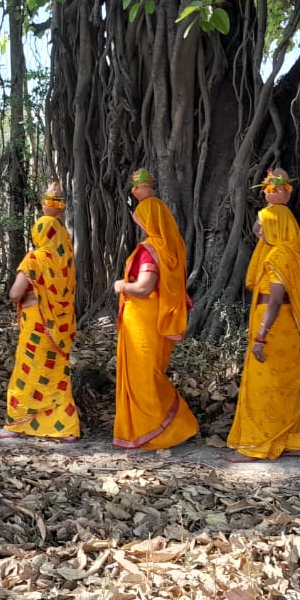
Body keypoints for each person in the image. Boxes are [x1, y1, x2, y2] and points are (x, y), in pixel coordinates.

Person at [111, 169, 199, 449]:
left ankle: (159, 430)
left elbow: (145, 287)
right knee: (149, 375)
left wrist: (121, 286)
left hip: (143, 322)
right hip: (155, 320)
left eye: (141, 219)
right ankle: (162, 426)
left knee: (143, 378)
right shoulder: (172, 250)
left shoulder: (150, 250)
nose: (140, 225)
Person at [0, 183, 81, 443]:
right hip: (60, 327)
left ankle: (16, 425)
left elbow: (15, 294)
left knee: (27, 373)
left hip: (37, 325)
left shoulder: (34, 259)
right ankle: (65, 428)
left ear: (38, 234)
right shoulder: (66, 261)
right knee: (57, 377)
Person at [226, 185, 300, 462]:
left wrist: (261, 336)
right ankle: (296, 441)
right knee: (283, 384)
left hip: (273, 327)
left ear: (277, 228)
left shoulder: (279, 257)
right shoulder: (288, 253)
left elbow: (274, 301)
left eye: (264, 227)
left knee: (264, 386)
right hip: (282, 327)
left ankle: (257, 445)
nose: (259, 232)